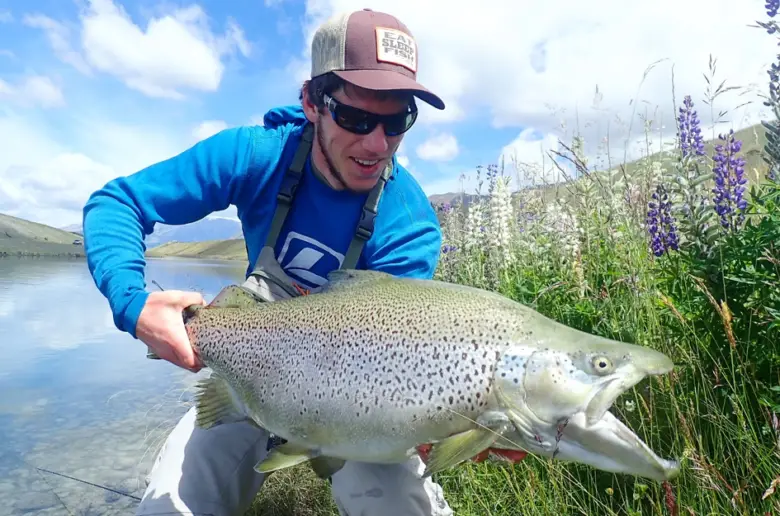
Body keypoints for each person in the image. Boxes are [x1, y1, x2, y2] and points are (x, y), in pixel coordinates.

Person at [82, 8, 457, 516]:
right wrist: (134, 303)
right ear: (312, 102)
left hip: (358, 396)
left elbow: (399, 356)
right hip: (249, 373)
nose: (376, 144)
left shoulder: (408, 222)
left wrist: (455, 423)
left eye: (397, 122)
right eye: (355, 118)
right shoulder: (254, 155)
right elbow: (117, 204)